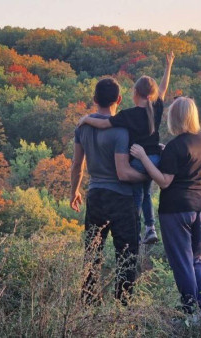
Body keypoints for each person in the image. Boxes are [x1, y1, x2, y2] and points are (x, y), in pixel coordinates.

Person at [78, 52, 175, 245]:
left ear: (134, 93)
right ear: (152, 95)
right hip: (155, 158)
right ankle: (150, 227)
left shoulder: (127, 115)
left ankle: (137, 229)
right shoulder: (155, 108)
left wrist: (86, 119)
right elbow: (163, 88)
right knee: (147, 192)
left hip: (139, 160)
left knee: (137, 194)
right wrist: (168, 66)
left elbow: (104, 124)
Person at [129, 97, 201, 316]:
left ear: (175, 117)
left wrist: (143, 157)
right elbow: (186, 162)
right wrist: (167, 154)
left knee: (181, 262)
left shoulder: (176, 146)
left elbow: (164, 181)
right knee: (195, 260)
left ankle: (190, 312)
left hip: (177, 209)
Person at [70, 77, 147, 305]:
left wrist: (74, 191)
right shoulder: (120, 130)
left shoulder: (82, 126)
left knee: (92, 254)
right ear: (119, 100)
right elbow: (123, 173)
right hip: (121, 199)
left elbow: (76, 164)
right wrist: (148, 175)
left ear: (94, 99)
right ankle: (122, 309)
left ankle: (88, 306)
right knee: (126, 256)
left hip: (95, 196)